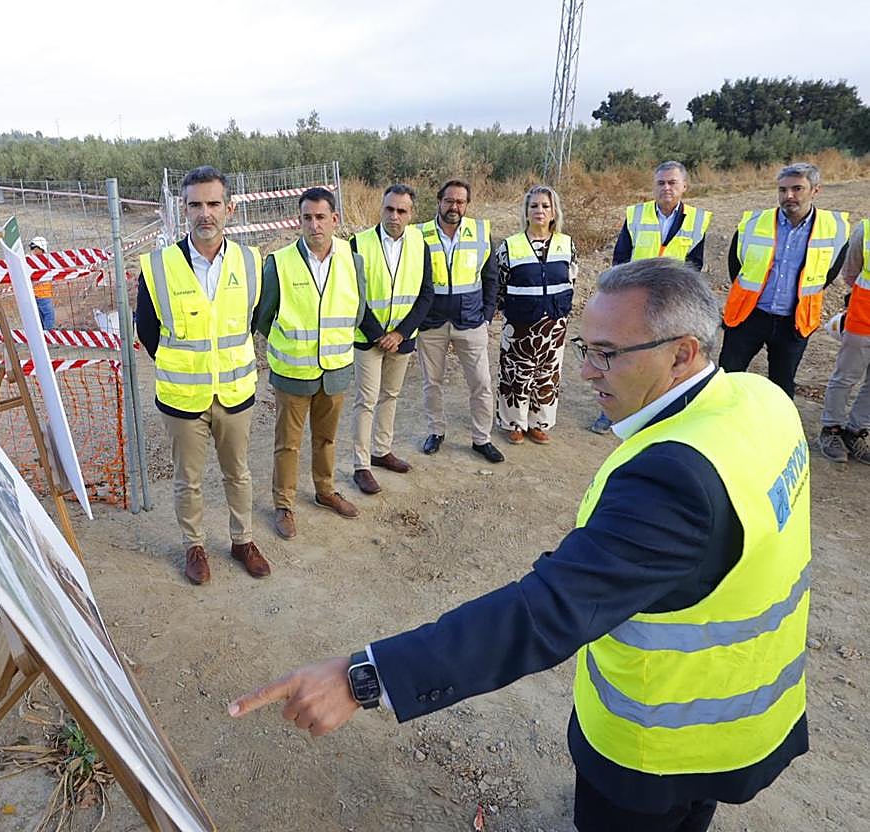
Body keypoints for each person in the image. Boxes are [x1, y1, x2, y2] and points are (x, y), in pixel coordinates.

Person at [231, 259, 812, 832]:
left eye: (607, 353)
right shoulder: (760, 402)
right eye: (586, 348)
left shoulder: (675, 478)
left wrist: (363, 676)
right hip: (745, 716)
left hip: (657, 747)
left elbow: (543, 613)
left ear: (682, 353)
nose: (585, 372)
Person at [134, 166, 269, 585]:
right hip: (182, 399)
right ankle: (194, 545)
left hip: (234, 392)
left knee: (239, 473)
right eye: (196, 205)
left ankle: (242, 541)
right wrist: (186, 367)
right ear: (183, 209)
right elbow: (148, 331)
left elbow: (254, 318)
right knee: (187, 480)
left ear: (229, 208)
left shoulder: (250, 262)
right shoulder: (158, 266)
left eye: (213, 204)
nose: (205, 214)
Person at [255, 187, 369, 540]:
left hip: (335, 370)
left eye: (321, 217)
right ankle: (284, 504)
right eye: (307, 217)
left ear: (335, 220)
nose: (314, 225)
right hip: (293, 374)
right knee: (287, 444)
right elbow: (263, 317)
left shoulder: (353, 260)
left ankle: (325, 490)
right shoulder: (279, 262)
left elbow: (359, 310)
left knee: (327, 439)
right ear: (299, 220)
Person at [591, 160, 712, 433]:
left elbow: (694, 267)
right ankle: (612, 414)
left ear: (684, 187)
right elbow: (620, 260)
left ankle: (657, 411)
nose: (666, 188)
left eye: (672, 183)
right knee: (621, 359)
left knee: (663, 360)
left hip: (670, 306)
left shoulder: (697, 221)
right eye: (661, 183)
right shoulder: (636, 215)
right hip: (634, 304)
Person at [719, 162, 850, 399]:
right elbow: (736, 266)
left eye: (797, 188)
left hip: (794, 321)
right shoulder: (752, 223)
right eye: (782, 190)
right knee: (727, 378)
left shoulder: (834, 230)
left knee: (782, 386)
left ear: (815, 190)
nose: (788, 195)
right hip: (749, 316)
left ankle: (776, 433)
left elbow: (828, 274)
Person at [348, 184, 434, 495]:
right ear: (381, 209)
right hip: (368, 339)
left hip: (402, 338)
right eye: (389, 209)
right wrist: (378, 335)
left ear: (411, 214)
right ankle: (361, 466)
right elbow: (354, 295)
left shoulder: (420, 244)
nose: (394, 216)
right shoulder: (358, 243)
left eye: (401, 211)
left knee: (390, 396)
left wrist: (400, 333)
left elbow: (426, 294)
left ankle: (382, 451)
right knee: (366, 400)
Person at [416, 179, 504, 463]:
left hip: (471, 320)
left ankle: (482, 439)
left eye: (460, 202)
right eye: (449, 201)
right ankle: (436, 431)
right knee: (432, 382)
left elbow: (492, 277)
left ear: (467, 204)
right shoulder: (419, 234)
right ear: (438, 201)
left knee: (481, 383)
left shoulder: (480, 231)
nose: (454, 207)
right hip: (432, 322)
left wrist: (487, 316)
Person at [495, 185, 577, 445]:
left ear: (554, 212)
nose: (539, 210)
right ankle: (514, 423)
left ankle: (539, 423)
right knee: (516, 374)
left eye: (545, 206)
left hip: (554, 322)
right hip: (520, 324)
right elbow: (499, 284)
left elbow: (572, 279)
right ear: (526, 212)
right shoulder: (510, 246)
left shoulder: (567, 244)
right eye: (534, 206)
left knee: (548, 374)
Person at [818, 216, 870, 464]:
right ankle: (831, 429)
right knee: (846, 376)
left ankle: (855, 431)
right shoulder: (866, 229)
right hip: (863, 318)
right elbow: (850, 273)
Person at [28, 236, 57, 330]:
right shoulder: (38, 261)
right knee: (49, 316)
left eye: (34, 248)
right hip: (42, 293)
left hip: (40, 293)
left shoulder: (37, 261)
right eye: (32, 248)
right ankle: (48, 337)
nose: (33, 251)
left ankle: (43, 337)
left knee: (41, 317)